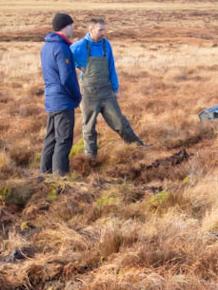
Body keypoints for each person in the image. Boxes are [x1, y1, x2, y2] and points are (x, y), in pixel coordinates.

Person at [71, 15, 142, 159]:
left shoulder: (106, 44)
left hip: (107, 91)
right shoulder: (78, 46)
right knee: (89, 125)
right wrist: (79, 68)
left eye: (104, 30)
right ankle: (91, 155)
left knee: (120, 121)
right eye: (100, 30)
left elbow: (111, 68)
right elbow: (65, 61)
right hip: (88, 93)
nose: (103, 33)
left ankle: (137, 146)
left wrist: (115, 89)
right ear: (91, 30)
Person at [40, 11, 81, 174]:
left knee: (50, 139)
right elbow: (66, 77)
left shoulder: (46, 46)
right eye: (71, 25)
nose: (73, 29)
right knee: (63, 140)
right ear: (65, 27)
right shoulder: (62, 48)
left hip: (51, 99)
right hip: (63, 101)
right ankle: (60, 177)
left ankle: (44, 174)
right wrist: (76, 96)